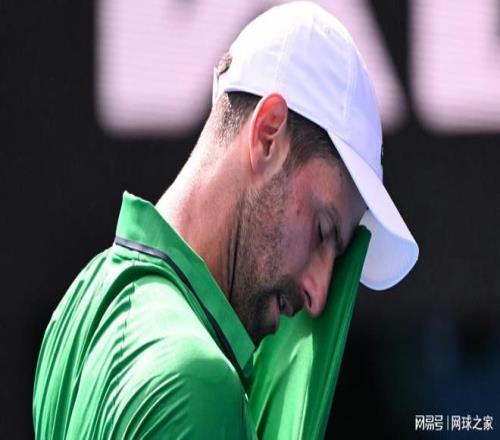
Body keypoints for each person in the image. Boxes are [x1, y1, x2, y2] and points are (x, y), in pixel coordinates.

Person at [33, 2, 418, 438]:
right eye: (322, 231)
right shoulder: (198, 381)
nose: (319, 293)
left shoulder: (80, 304)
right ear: (268, 135)